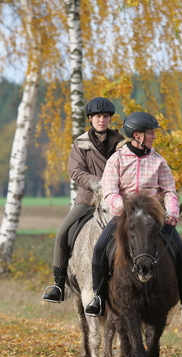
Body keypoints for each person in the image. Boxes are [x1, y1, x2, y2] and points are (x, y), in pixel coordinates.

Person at [83, 111, 182, 322]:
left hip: (153, 218)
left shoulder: (159, 161)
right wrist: (124, 208)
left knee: (181, 251)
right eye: (150, 133)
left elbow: (169, 191)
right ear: (137, 135)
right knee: (100, 249)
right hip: (124, 217)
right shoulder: (117, 160)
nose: (154, 137)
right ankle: (99, 298)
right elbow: (109, 191)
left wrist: (173, 211)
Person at [42, 97, 125, 302]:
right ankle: (58, 284)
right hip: (88, 200)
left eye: (106, 116)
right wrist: (95, 182)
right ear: (90, 118)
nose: (102, 120)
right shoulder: (81, 143)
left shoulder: (121, 143)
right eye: (98, 116)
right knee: (62, 234)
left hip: (115, 202)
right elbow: (75, 171)